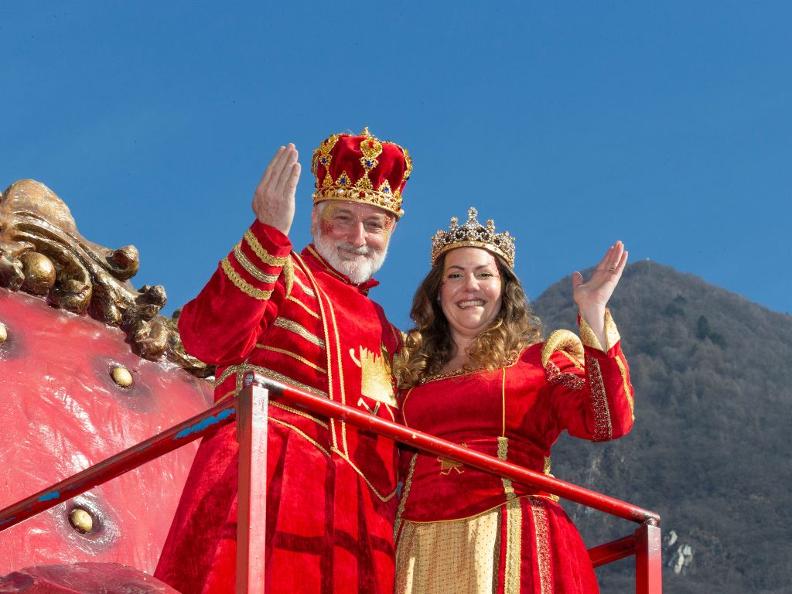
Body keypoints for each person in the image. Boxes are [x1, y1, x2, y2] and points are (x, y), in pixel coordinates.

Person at [155, 128, 413, 593]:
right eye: (344, 218)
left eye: (375, 224)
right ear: (315, 219)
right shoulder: (282, 270)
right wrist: (268, 232)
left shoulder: (391, 335)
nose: (359, 236)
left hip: (361, 523)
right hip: (266, 489)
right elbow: (203, 338)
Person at [393, 208, 634, 594]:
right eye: (455, 275)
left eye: (484, 274)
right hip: (416, 549)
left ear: (504, 288)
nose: (469, 285)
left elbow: (608, 422)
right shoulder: (406, 371)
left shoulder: (539, 360)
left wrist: (593, 310)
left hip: (515, 537)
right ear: (438, 292)